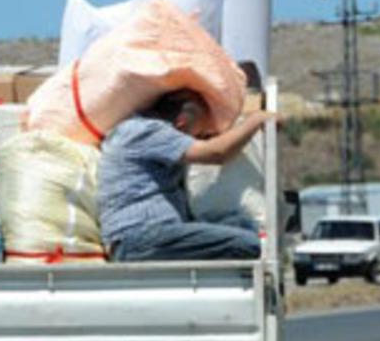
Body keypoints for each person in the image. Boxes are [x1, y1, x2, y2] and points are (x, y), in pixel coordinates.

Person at [97, 89, 275, 262]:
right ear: (181, 123)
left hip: (151, 239)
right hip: (140, 238)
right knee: (254, 245)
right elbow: (217, 153)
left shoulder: (139, 132)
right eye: (197, 134)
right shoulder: (145, 131)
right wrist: (257, 119)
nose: (200, 137)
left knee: (243, 226)